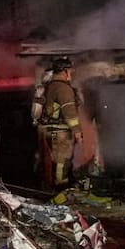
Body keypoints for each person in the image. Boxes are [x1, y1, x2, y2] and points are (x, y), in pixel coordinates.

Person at [32, 56, 83, 188]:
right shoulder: (63, 88)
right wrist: (77, 131)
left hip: (47, 129)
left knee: (55, 159)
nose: (71, 74)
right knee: (62, 160)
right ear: (65, 71)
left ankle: (53, 184)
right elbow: (69, 111)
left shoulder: (49, 86)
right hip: (60, 131)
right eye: (70, 71)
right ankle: (60, 188)